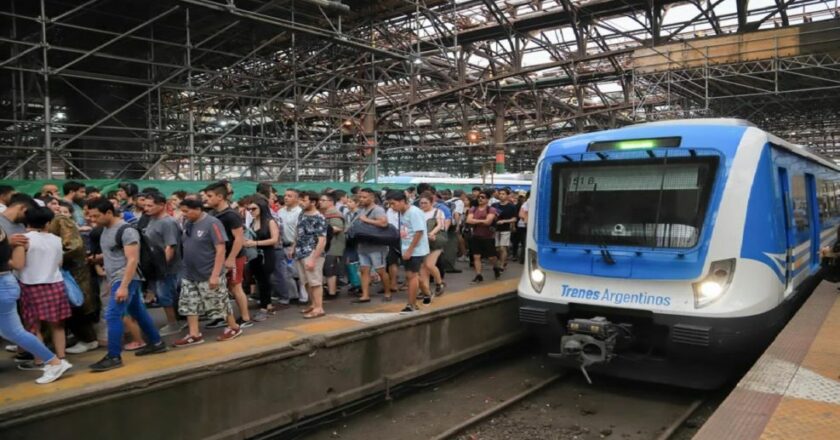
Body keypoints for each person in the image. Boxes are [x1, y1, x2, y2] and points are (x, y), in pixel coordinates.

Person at [87, 199, 167, 372]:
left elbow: (132, 259)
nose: (93, 219)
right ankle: (156, 342)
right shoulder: (106, 229)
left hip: (126, 278)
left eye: (96, 215)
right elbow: (114, 254)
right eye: (90, 215)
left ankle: (114, 356)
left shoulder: (127, 230)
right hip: (117, 278)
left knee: (112, 314)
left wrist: (123, 286)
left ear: (108, 212)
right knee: (137, 310)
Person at [0, 225, 73, 384]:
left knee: (15, 332)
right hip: (6, 285)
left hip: (3, 286)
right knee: (9, 332)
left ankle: (54, 362)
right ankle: (54, 362)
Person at [176, 199, 243, 346]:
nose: (184, 214)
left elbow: (220, 249)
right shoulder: (188, 224)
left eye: (187, 211)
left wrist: (215, 274)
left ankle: (233, 327)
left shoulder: (213, 223)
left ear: (198, 209)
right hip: (190, 273)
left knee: (219, 301)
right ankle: (194, 334)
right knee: (190, 304)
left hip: (208, 272)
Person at [41, 197, 99, 355]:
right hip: (63, 271)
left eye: (56, 203)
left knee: (76, 304)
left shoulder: (59, 221)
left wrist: (52, 257)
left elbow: (73, 246)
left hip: (72, 272)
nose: (57, 206)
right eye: (52, 203)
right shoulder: (51, 222)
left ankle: (88, 340)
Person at [17, 207, 71, 368]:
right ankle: (61, 358)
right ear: (48, 222)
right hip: (55, 283)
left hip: (31, 285)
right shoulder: (56, 239)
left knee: (33, 326)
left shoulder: (23, 240)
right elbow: (59, 263)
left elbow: (19, 264)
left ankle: (40, 360)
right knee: (57, 324)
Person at [204, 182, 252, 329]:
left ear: (220, 197)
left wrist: (231, 258)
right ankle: (223, 317)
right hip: (221, 256)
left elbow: (239, 238)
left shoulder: (231, 215)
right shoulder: (213, 214)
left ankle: (245, 318)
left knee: (235, 286)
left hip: (234, 257)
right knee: (223, 288)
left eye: (210, 196)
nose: (207, 199)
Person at [142, 193, 186, 336]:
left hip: (168, 268)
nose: (146, 208)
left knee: (165, 295)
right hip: (157, 266)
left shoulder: (168, 223)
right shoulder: (152, 220)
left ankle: (174, 323)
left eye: (150, 205)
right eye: (145, 206)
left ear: (161, 205)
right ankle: (178, 320)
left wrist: (161, 267)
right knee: (165, 294)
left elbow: (170, 247)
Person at [387, 191, 429, 314]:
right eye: (389, 204)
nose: (391, 207)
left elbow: (419, 232)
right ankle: (427, 293)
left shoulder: (414, 212)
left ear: (402, 201)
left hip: (416, 250)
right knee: (414, 276)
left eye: (393, 203)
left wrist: (410, 250)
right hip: (406, 248)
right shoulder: (401, 212)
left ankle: (411, 304)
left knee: (411, 276)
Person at [244, 196, 280, 320]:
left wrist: (255, 243)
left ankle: (264, 308)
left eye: (253, 209)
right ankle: (267, 305)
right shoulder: (253, 221)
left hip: (267, 254)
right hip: (255, 255)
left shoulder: (270, 221)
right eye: (249, 209)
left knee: (264, 281)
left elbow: (275, 240)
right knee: (260, 280)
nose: (251, 211)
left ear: (262, 208)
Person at [293, 191, 327, 319]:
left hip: (312, 252)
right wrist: (293, 247)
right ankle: (313, 304)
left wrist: (313, 258)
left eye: (304, 200)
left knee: (315, 282)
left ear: (313, 202)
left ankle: (319, 308)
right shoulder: (302, 213)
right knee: (306, 281)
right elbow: (299, 231)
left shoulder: (319, 218)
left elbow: (322, 240)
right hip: (300, 251)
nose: (301, 202)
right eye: (300, 200)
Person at [354, 188, 393, 302]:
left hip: (376, 246)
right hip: (363, 245)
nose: (361, 199)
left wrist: (366, 220)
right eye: (360, 197)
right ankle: (365, 295)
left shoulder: (378, 210)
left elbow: (384, 223)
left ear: (372, 198)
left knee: (380, 270)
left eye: (364, 197)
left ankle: (387, 292)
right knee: (364, 270)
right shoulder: (361, 210)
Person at [276, 188, 303, 305]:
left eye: (290, 196)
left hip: (295, 246)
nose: (286, 198)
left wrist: (293, 246)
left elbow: (299, 231)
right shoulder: (280, 212)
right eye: (285, 195)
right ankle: (293, 296)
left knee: (298, 273)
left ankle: (304, 297)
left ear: (297, 199)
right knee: (286, 272)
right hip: (283, 245)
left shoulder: (300, 212)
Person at [466, 190, 499, 283]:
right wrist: (482, 221)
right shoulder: (473, 209)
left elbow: (488, 222)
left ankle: (495, 267)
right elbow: (468, 220)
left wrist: (475, 220)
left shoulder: (491, 209)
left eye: (483, 197)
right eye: (479, 197)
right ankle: (478, 275)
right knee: (476, 256)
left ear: (488, 199)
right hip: (475, 236)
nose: (480, 199)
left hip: (488, 236)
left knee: (491, 257)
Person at [419, 193, 446, 300]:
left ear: (431, 202)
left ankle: (439, 283)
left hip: (435, 242)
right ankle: (425, 290)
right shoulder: (418, 213)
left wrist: (432, 233)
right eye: (421, 203)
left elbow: (440, 225)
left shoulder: (438, 212)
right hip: (422, 242)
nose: (423, 205)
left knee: (429, 265)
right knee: (423, 268)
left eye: (425, 203)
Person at [319, 192, 346, 300]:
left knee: (330, 269)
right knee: (327, 269)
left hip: (334, 245)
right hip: (328, 245)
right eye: (320, 200)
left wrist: (320, 229)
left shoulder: (334, 213)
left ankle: (332, 292)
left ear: (331, 202)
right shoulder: (325, 213)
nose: (320, 202)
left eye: (323, 200)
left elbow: (338, 228)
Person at [492, 188, 518, 272]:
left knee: (503, 247)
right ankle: (503, 260)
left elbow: (514, 219)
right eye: (500, 193)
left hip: (505, 229)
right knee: (497, 248)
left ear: (507, 195)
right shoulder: (494, 205)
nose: (501, 195)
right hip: (495, 229)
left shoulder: (511, 206)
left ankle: (502, 265)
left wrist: (505, 221)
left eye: (503, 194)